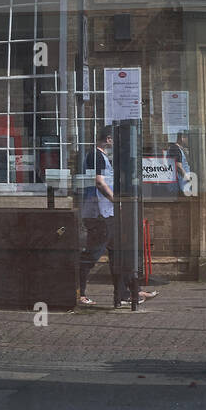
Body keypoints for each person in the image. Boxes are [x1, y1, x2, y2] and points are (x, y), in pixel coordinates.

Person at [78, 126, 152, 307]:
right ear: (109, 139)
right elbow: (99, 182)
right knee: (91, 256)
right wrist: (116, 200)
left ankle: (124, 294)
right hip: (100, 214)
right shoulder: (96, 156)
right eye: (115, 140)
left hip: (107, 213)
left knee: (117, 255)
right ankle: (78, 292)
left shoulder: (101, 156)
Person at [167, 130, 195, 197]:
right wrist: (187, 178)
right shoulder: (175, 149)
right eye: (188, 138)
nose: (189, 141)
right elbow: (179, 166)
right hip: (182, 185)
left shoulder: (179, 149)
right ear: (182, 138)